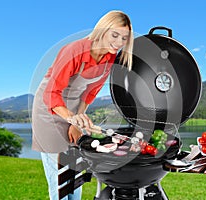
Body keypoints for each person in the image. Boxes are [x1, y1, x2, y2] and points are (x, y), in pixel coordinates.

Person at [31, 10, 134, 200]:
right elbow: (51, 94)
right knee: (59, 180)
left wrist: (75, 123)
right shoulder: (75, 51)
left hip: (72, 113)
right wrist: (71, 118)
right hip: (48, 112)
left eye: (124, 38)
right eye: (115, 35)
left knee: (76, 171)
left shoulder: (109, 57)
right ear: (103, 30)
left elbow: (89, 94)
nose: (119, 42)